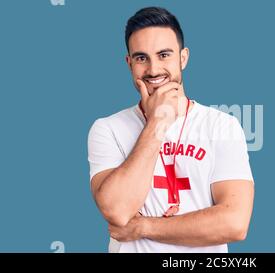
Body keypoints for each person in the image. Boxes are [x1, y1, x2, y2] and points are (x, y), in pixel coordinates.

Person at [87, 6, 254, 253]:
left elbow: (234, 223)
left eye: (164, 55)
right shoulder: (107, 129)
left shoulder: (222, 126)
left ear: (183, 58)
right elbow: (118, 210)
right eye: (141, 58)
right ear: (129, 63)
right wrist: (158, 121)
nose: (153, 70)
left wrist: (143, 227)